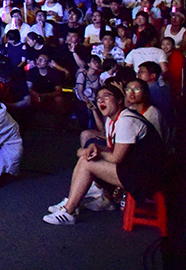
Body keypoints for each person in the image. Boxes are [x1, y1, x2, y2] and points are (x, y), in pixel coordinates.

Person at [43, 84, 165, 225]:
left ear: (119, 100)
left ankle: (69, 211)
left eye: (106, 97)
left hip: (149, 177)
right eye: (98, 98)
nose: (100, 101)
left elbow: (116, 158)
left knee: (86, 162)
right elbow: (112, 149)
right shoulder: (112, 120)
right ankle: (71, 204)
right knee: (85, 159)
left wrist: (93, 152)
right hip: (135, 169)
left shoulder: (126, 120)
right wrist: (94, 148)